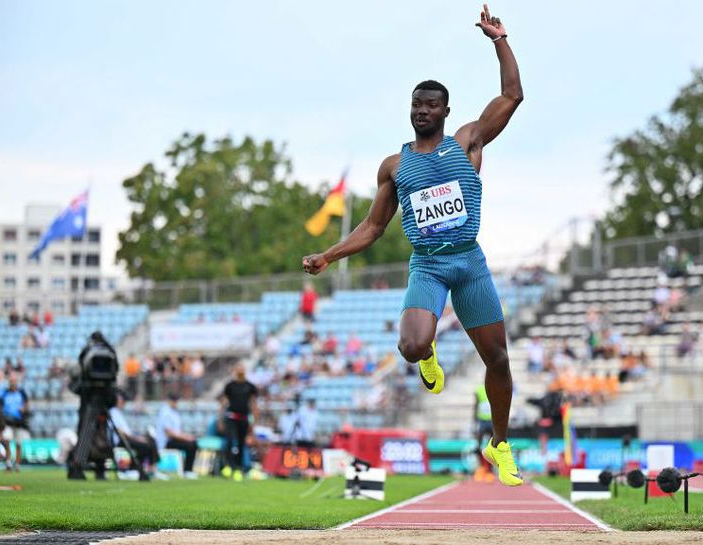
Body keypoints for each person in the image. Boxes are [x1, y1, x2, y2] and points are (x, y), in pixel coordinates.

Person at [301, 5, 523, 486]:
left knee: (499, 361)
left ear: (445, 110)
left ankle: (500, 444)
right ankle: (428, 356)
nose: (422, 110)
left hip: (469, 263)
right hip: (427, 265)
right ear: (410, 109)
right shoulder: (394, 167)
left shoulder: (467, 142)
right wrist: (328, 255)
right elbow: (373, 227)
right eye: (415, 104)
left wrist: (499, 39)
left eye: (430, 105)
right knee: (411, 344)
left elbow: (511, 95)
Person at [219, 363, 258, 482]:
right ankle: (228, 466)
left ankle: (238, 468)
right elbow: (223, 403)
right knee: (230, 441)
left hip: (244, 418)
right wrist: (220, 419)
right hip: (231, 417)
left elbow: (253, 404)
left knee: (241, 443)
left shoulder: (250, 387)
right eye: (238, 368)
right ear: (235, 370)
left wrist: (254, 422)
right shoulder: (230, 386)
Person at [108, 390, 161, 479]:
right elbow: (120, 431)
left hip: (128, 438)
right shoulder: (113, 412)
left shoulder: (118, 412)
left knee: (151, 440)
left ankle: (152, 468)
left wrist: (137, 438)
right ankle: (133, 468)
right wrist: (136, 439)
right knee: (145, 446)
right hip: (121, 440)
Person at [155, 392, 198, 478]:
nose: (175, 403)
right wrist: (186, 438)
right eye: (173, 401)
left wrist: (188, 437)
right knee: (190, 445)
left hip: (174, 439)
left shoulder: (175, 413)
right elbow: (169, 433)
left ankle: (188, 470)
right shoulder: (165, 412)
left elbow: (178, 431)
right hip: (166, 441)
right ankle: (187, 470)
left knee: (193, 443)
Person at [0, 377, 31, 471]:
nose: (12, 383)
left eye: (14, 381)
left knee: (18, 443)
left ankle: (17, 464)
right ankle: (8, 463)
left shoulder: (21, 392)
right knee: (7, 441)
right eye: (11, 381)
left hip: (19, 422)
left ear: (17, 382)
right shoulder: (4, 393)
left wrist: (24, 409)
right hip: (7, 422)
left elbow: (27, 403)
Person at [472, 383, 494, 482]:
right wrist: (474, 421)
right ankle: (481, 468)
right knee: (478, 446)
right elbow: (476, 405)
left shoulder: (495, 387)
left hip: (492, 421)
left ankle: (490, 470)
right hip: (482, 421)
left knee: (492, 447)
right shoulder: (479, 390)